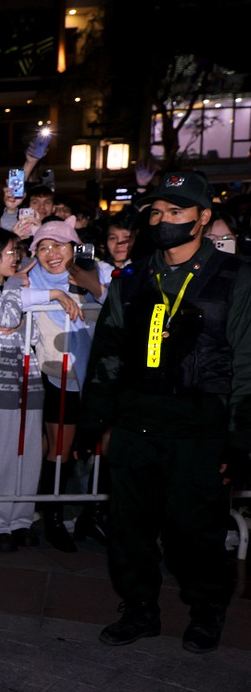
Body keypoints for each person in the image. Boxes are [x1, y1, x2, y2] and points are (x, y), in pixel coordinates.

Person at [79, 171, 251, 654]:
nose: (163, 220)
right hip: (136, 424)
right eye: (156, 212)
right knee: (128, 528)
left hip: (200, 426)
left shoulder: (236, 276)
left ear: (203, 218)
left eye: (176, 211)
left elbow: (246, 361)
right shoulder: (132, 278)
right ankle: (139, 609)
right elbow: (109, 352)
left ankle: (206, 608)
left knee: (194, 531)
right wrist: (93, 419)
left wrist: (239, 438)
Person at [0, 229, 81, 551]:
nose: (18, 258)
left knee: (27, 456)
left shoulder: (13, 288)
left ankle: (20, 520)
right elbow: (7, 315)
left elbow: (24, 325)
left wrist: (47, 296)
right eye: (12, 252)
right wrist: (22, 291)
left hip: (28, 381)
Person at [25, 219, 109, 551]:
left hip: (100, 376)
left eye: (59, 245)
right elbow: (11, 296)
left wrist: (93, 286)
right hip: (57, 375)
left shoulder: (97, 271)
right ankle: (54, 518)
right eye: (43, 247)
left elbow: (123, 304)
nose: (51, 253)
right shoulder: (30, 276)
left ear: (74, 247)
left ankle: (93, 516)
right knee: (60, 447)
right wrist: (55, 293)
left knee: (104, 446)